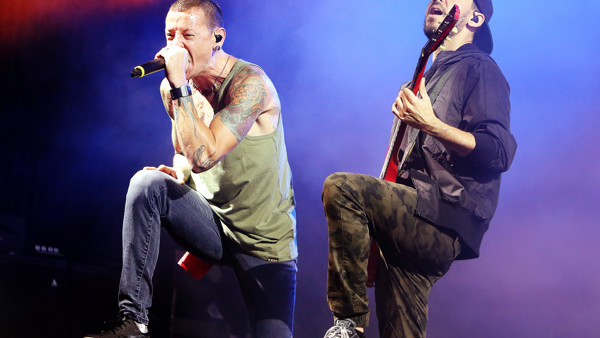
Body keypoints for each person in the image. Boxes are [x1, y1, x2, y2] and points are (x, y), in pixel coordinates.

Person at [86, 1, 297, 337]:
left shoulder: (250, 84)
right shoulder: (174, 90)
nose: (175, 45)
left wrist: (179, 85)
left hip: (264, 243)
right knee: (147, 183)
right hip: (212, 224)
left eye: (187, 35)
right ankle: (133, 321)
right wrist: (179, 171)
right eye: (170, 35)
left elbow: (204, 155)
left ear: (217, 37)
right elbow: (185, 153)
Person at [322, 0, 517, 337]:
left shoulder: (480, 68)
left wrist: (430, 124)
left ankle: (348, 324)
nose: (436, 0)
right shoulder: (427, 75)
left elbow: (499, 152)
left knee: (344, 188)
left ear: (476, 18)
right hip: (417, 215)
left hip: (443, 214)